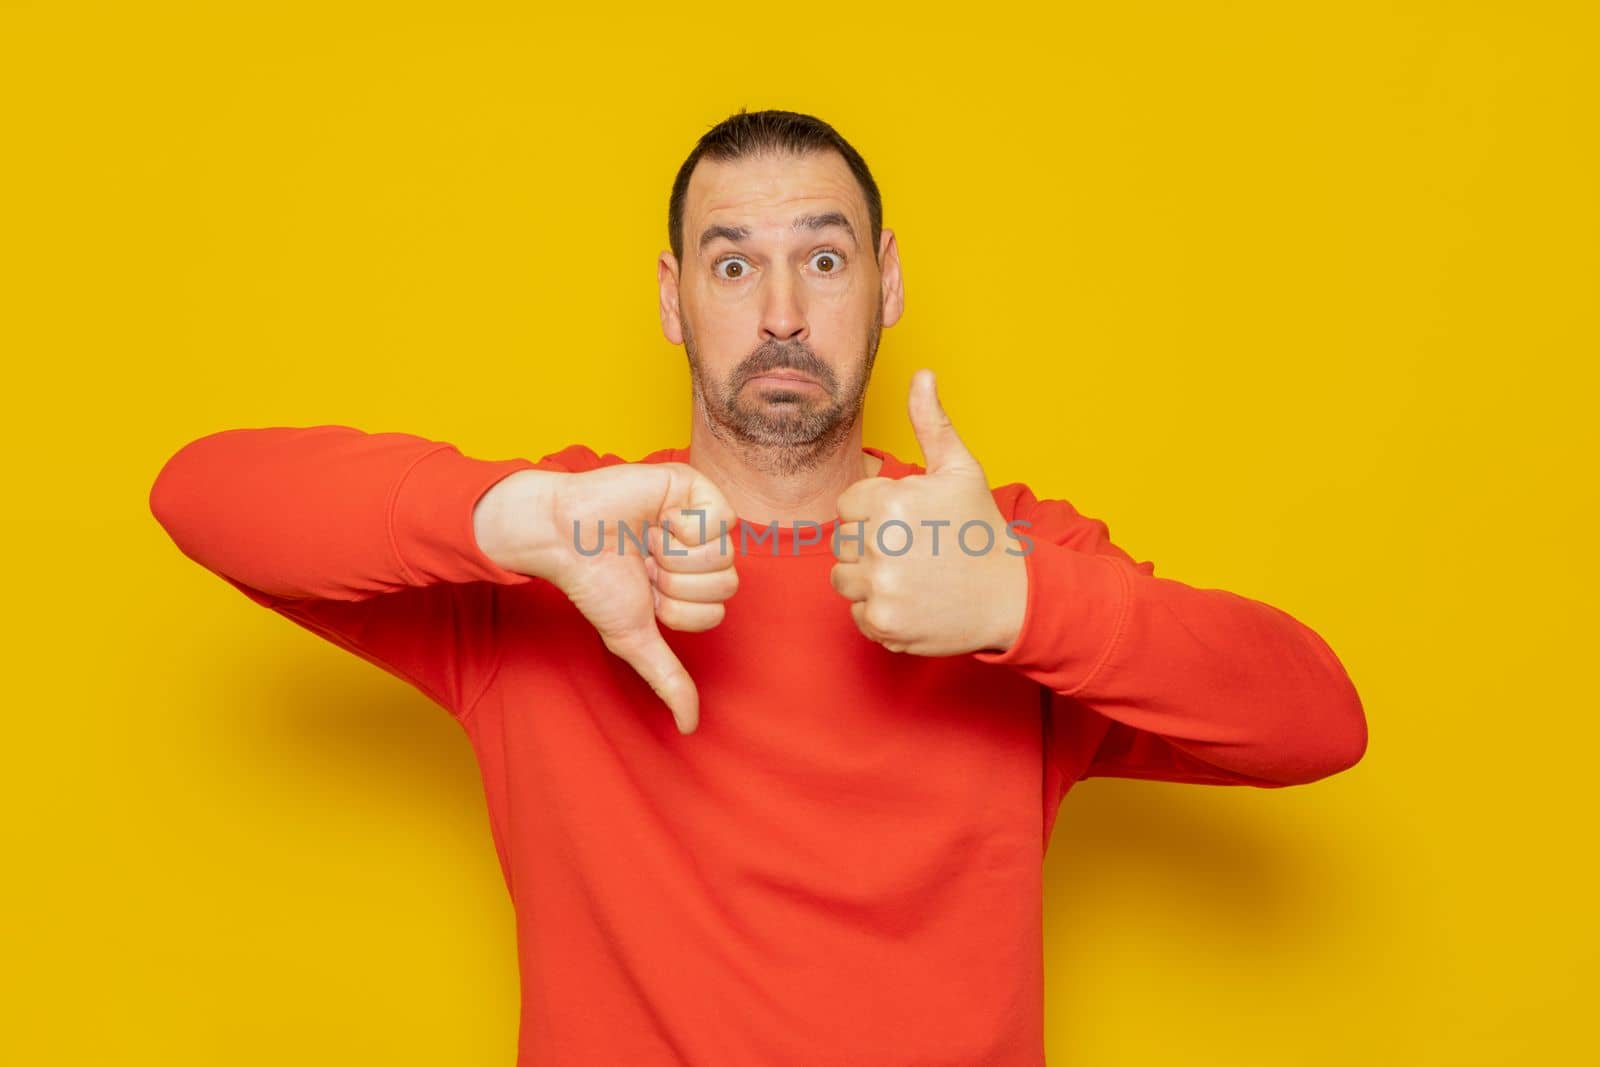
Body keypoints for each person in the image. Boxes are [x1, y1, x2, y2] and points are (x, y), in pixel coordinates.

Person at [148, 108, 1368, 1066]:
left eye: (822, 259)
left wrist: (1017, 602)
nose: (781, 312)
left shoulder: (992, 554)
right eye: (733, 267)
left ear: (885, 281)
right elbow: (200, 493)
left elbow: (1316, 716)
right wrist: (514, 514)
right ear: (673, 297)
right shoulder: (557, 555)